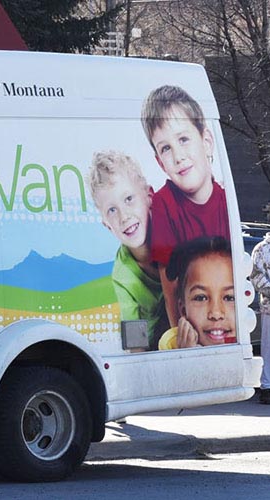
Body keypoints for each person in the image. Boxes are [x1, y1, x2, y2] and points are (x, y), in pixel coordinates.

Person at [141, 85, 230, 328]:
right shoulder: (163, 204)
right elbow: (169, 284)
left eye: (183, 139)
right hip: (191, 323)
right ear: (160, 163)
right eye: (166, 148)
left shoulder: (225, 200)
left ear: (206, 141)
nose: (178, 155)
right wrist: (179, 337)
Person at [87, 151, 167, 351]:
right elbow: (134, 339)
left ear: (149, 196)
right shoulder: (123, 275)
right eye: (112, 210)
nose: (124, 216)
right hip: (155, 346)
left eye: (129, 199)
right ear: (107, 225)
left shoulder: (171, 232)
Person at [157, 237, 236, 350]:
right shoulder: (171, 345)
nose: (216, 314)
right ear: (183, 309)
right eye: (201, 297)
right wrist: (188, 355)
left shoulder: (244, 341)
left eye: (229, 298)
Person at [249, 231, 270, 404]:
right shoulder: (262, 249)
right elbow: (256, 275)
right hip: (269, 307)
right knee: (268, 348)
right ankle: (267, 387)